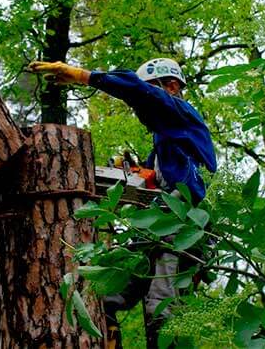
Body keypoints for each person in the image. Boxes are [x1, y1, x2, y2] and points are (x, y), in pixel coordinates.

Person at [29, 58, 217, 348]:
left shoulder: (184, 115)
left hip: (183, 225)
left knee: (162, 308)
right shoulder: (166, 143)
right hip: (156, 226)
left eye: (152, 92)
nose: (141, 108)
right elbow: (157, 179)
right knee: (106, 294)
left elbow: (137, 89)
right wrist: (138, 172)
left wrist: (82, 75)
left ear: (172, 86)